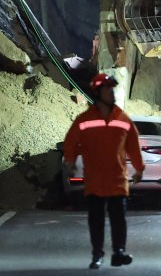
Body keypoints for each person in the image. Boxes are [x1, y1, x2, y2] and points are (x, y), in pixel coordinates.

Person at [63, 73, 145, 269]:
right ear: (98, 93)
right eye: (108, 90)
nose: (112, 93)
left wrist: (139, 168)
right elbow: (71, 142)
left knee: (119, 220)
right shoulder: (83, 120)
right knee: (96, 221)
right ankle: (97, 255)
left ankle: (119, 252)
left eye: (112, 89)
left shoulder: (123, 119)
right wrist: (71, 161)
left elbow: (133, 145)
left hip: (117, 179)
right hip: (95, 180)